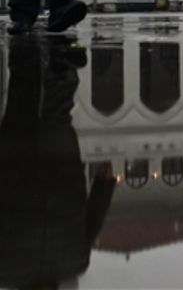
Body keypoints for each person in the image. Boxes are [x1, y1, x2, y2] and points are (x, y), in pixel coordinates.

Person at [0, 36, 117, 288]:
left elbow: (93, 222)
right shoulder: (75, 262)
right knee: (53, 114)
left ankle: (50, 56)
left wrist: (105, 185)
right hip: (56, 176)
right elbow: (93, 221)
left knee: (29, 105)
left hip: (20, 173)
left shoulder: (6, 271)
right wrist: (105, 186)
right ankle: (60, 59)